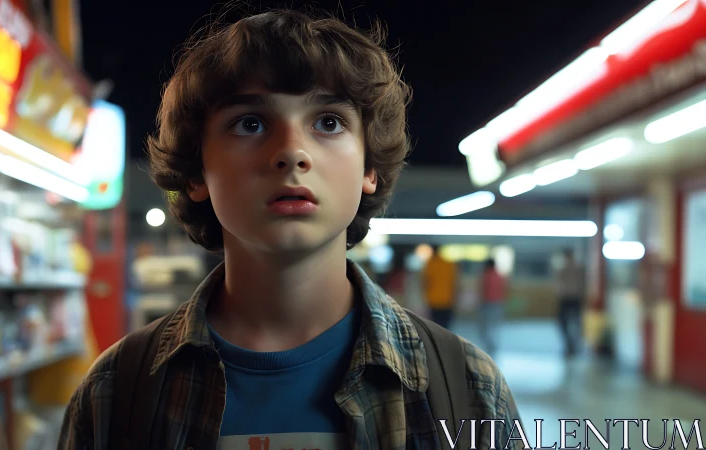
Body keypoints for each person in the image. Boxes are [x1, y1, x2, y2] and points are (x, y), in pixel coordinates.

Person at [57, 9, 520, 450]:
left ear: (369, 167)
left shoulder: (467, 387)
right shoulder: (116, 391)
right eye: (250, 123)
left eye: (329, 122)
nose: (292, 152)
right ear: (196, 172)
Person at [556, 248, 586, 357]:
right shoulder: (562, 269)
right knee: (563, 323)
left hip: (574, 298)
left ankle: (573, 345)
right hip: (565, 298)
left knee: (576, 323)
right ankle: (569, 344)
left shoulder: (577, 269)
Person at [422, 245, 459, 329]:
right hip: (447, 300)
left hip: (433, 300)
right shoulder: (449, 264)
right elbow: (455, 283)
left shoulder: (429, 264)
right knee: (446, 326)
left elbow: (425, 283)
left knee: (435, 326)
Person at [479, 259, 508, 355]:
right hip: (499, 303)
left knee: (486, 326)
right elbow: (504, 290)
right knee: (495, 325)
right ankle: (494, 345)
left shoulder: (486, 275)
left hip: (488, 303)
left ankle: (489, 345)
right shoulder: (500, 276)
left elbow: (484, 290)